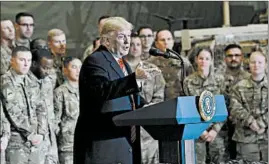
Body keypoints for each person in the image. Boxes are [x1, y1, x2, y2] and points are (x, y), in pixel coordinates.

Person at [73, 17, 148, 164]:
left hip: (124, 142)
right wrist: (134, 79)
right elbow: (101, 91)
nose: (128, 42)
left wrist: (146, 106)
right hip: (104, 144)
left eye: (129, 36)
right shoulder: (96, 60)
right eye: (121, 37)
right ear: (106, 41)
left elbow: (128, 97)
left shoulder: (122, 62)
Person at [124, 32, 165, 164]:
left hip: (148, 130)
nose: (135, 47)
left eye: (138, 45)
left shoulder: (153, 70)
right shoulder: (120, 71)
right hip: (125, 127)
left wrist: (148, 109)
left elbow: (159, 96)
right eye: (131, 44)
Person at [1, 46, 46, 164]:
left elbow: (41, 108)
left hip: (36, 142)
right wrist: (31, 134)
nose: (26, 64)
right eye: (22, 60)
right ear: (12, 61)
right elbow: (12, 112)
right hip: (16, 143)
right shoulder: (5, 82)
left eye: (29, 60)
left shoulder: (32, 81)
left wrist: (41, 133)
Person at [183, 48, 226, 164]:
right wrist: (201, 130)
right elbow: (188, 109)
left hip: (216, 132)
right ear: (196, 60)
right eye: (201, 58)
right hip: (197, 132)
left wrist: (215, 130)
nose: (203, 61)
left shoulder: (219, 80)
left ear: (211, 61)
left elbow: (224, 107)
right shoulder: (188, 81)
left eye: (207, 59)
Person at [229, 51, 268, 162]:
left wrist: (261, 122)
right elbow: (234, 107)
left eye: (260, 62)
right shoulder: (238, 87)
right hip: (246, 139)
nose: (256, 65)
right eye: (253, 62)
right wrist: (250, 121)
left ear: (265, 64)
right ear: (248, 64)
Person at [54, 57, 82, 164]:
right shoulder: (60, 92)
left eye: (80, 67)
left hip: (85, 143)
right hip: (68, 146)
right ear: (65, 70)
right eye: (74, 67)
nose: (78, 71)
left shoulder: (86, 90)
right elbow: (55, 120)